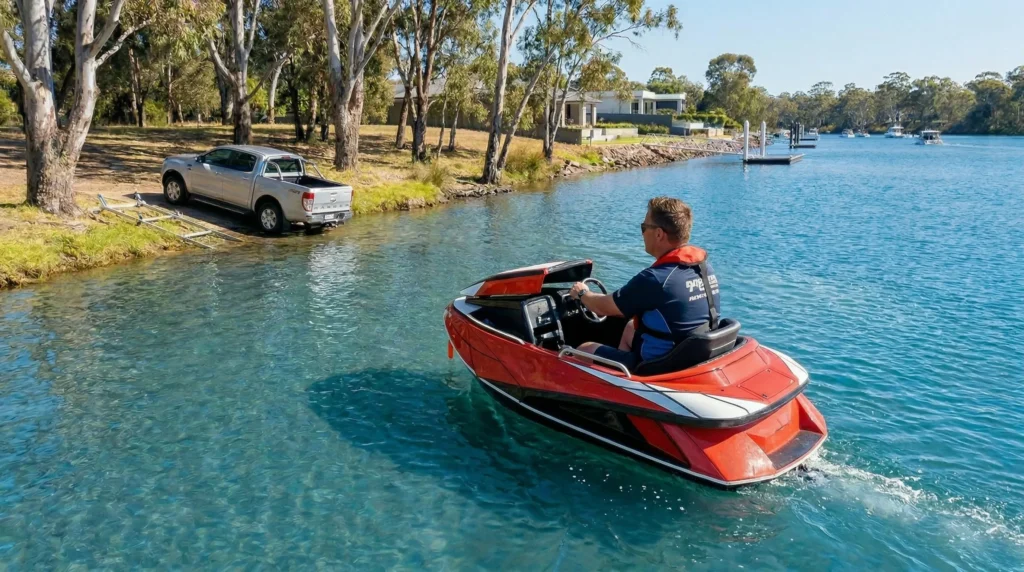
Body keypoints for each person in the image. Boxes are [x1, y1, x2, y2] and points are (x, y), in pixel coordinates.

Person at [569, 196, 721, 370]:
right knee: (629, 327)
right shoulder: (704, 268)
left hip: (661, 365)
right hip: (691, 354)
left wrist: (582, 293)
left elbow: (603, 307)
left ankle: (627, 379)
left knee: (583, 350)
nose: (642, 233)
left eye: (644, 227)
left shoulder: (656, 279)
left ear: (658, 234)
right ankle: (619, 379)